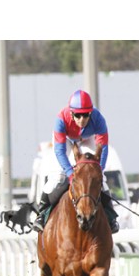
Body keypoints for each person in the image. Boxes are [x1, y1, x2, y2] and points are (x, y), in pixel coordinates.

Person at [32, 89, 119, 234]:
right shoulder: (61, 119)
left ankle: (111, 218)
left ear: (91, 113)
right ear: (71, 113)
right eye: (78, 115)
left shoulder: (99, 119)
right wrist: (70, 173)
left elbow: (103, 149)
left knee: (100, 178)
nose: (82, 119)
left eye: (85, 115)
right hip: (66, 139)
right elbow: (60, 152)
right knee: (58, 178)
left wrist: (99, 170)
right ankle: (41, 215)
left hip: (87, 139)